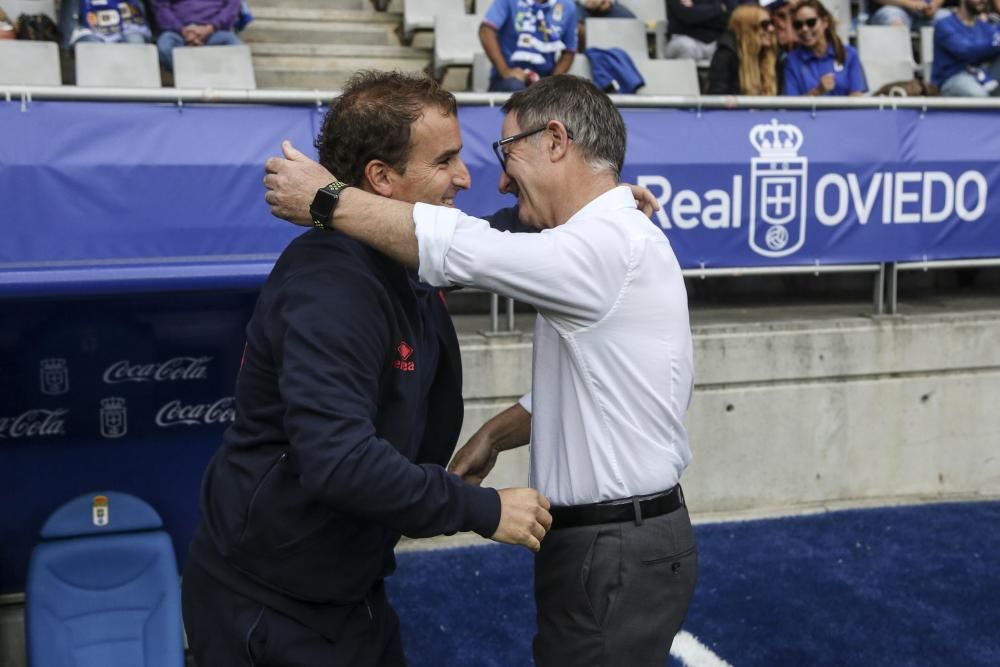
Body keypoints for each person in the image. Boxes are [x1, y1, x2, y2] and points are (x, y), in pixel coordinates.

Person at [264, 74, 698, 667]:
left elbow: (465, 245)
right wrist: (495, 434)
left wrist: (326, 199)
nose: (487, 177)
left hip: (614, 547)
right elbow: (592, 385)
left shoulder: (606, 246)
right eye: (449, 160)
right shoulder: (612, 238)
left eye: (504, 152)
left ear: (554, 140)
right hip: (617, 543)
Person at [182, 71, 553, 667]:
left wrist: (593, 211)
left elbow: (489, 240)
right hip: (272, 609)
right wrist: (482, 510)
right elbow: (340, 459)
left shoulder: (405, 253)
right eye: (446, 162)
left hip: (350, 591)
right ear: (381, 178)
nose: (465, 177)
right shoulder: (331, 287)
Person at [479, 0, 577, 92]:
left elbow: (569, 52)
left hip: (545, 79)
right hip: (508, 79)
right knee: (517, 90)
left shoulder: (568, 6)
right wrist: (505, 70)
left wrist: (552, 83)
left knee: (570, 94)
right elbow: (486, 31)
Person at [784, 0, 867, 95]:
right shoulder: (792, 60)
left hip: (846, 110)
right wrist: (818, 91)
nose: (804, 29)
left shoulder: (850, 54)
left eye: (811, 22)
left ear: (825, 22)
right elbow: (791, 105)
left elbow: (856, 97)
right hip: (809, 111)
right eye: (798, 25)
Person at [707, 3, 780, 94]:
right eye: (764, 24)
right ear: (747, 28)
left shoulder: (773, 56)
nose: (771, 29)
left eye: (771, 23)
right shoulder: (726, 56)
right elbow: (717, 99)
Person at [932, 0, 1000, 96]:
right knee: (979, 95)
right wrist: (996, 43)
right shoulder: (944, 25)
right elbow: (967, 52)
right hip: (953, 78)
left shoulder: (985, 27)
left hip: (982, 75)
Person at [150, 0, 243, 70]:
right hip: (178, 32)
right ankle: (190, 74)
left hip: (214, 31)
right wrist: (182, 30)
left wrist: (209, 28)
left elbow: (233, 5)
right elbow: (160, 7)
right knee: (164, 46)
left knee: (236, 47)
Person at [58, 0, 152, 49]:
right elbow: (68, 20)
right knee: (93, 45)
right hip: (90, 32)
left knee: (135, 40)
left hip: (128, 29)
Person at [664, 0, 737, 61]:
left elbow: (726, 19)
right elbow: (688, 16)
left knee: (728, 50)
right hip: (683, 38)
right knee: (687, 47)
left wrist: (695, 9)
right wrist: (718, 8)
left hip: (712, 42)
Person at [867, 0, 951, 29]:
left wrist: (934, 5)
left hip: (925, 13)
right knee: (895, 22)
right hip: (893, 9)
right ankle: (900, 65)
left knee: (949, 20)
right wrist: (910, 3)